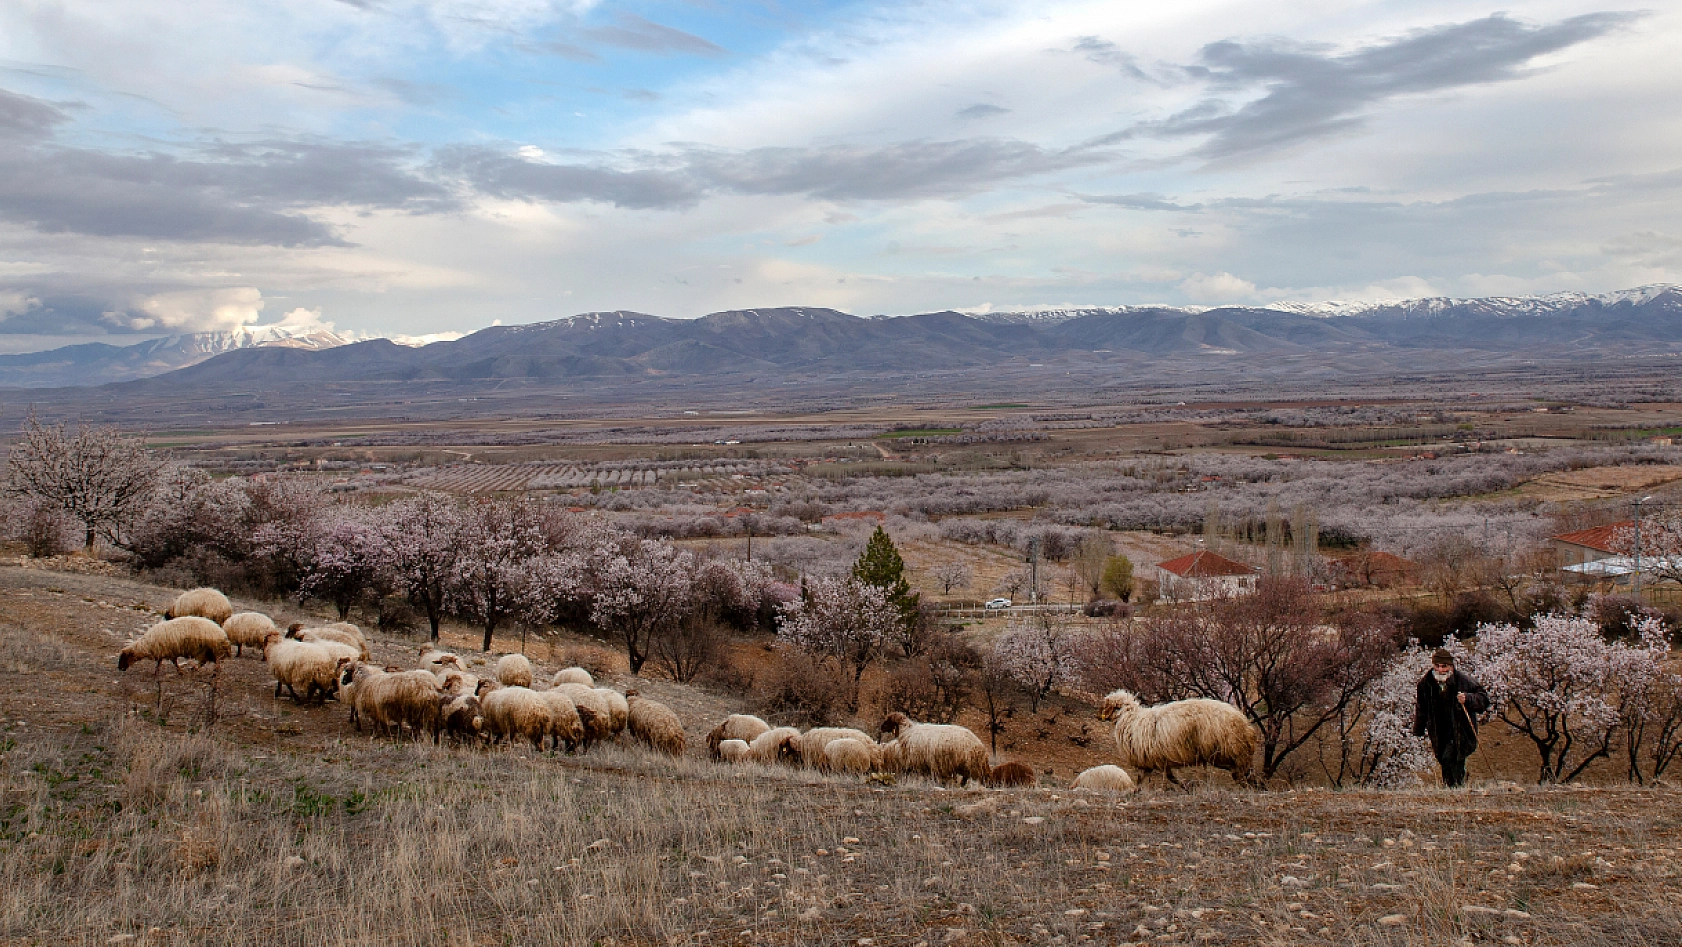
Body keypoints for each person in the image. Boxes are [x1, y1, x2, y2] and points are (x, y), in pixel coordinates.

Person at [1412, 648, 1489, 788]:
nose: (1440, 670)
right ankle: (1456, 788)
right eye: (1437, 666)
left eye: (1444, 666)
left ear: (1451, 666)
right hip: (1438, 730)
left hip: (1461, 730)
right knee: (1444, 759)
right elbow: (1421, 707)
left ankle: (1453, 788)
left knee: (1452, 758)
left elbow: (1483, 699)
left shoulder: (1464, 681)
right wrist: (1418, 729)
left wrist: (1468, 698)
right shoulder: (1425, 684)